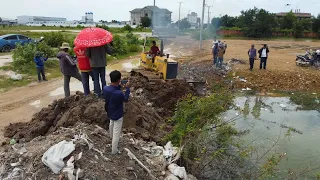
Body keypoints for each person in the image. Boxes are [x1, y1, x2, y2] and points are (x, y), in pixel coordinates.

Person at [103, 70, 130, 155]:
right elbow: (125, 99)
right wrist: (128, 89)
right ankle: (114, 151)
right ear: (118, 80)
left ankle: (111, 139)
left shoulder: (105, 88)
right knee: (116, 133)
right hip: (118, 114)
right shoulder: (119, 93)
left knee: (111, 125)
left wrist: (119, 86)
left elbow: (113, 91)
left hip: (110, 111)